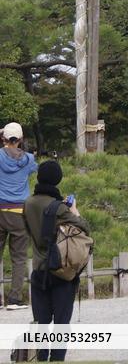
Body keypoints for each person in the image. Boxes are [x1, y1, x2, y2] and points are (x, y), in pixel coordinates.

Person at [22, 160, 90, 361]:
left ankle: (41, 358)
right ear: (57, 179)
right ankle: (57, 358)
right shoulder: (59, 207)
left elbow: (29, 232)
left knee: (41, 321)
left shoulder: (28, 203)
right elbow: (83, 227)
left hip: (38, 270)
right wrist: (74, 210)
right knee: (61, 322)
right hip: (61, 271)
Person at [0, 121, 38, 310]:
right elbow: (33, 169)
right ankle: (14, 299)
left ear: (3, 138)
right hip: (18, 213)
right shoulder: (29, 159)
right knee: (19, 258)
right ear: (21, 140)